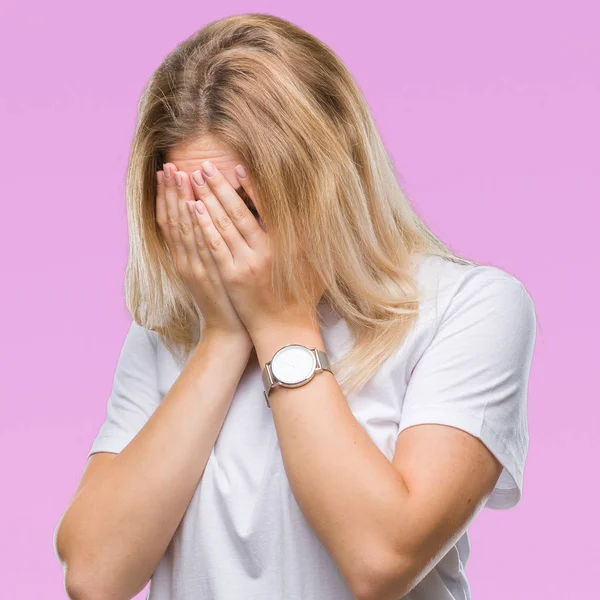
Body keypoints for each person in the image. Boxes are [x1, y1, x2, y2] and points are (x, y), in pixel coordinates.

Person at [53, 12, 537, 600]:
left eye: (243, 208)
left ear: (329, 175)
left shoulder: (468, 308)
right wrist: (222, 340)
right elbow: (95, 575)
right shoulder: (172, 331)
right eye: (197, 211)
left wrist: (281, 323)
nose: (224, 242)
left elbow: (380, 559)